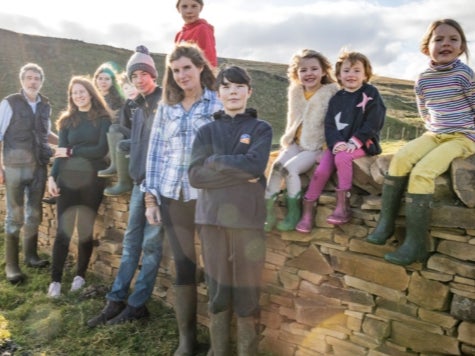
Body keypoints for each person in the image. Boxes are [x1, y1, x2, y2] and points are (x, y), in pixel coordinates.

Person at [366, 18, 475, 265]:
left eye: (453, 39)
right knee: (401, 159)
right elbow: (424, 111)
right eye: (439, 39)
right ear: (427, 47)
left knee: (423, 172)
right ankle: (385, 224)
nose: (446, 43)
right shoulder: (424, 78)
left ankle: (416, 244)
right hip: (434, 133)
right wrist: (433, 131)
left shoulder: (464, 74)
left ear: (461, 47)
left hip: (463, 136)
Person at [144, 42, 222, 356]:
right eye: (175, 71)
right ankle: (186, 342)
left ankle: (219, 346)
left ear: (201, 67)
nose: (181, 75)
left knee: (217, 266)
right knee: (183, 265)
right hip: (171, 195)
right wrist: (150, 200)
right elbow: (155, 152)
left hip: (207, 197)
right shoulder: (167, 107)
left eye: (187, 68)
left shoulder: (217, 102)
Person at [189, 65, 272, 355]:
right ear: (218, 92)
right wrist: (238, 169)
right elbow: (195, 177)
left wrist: (214, 162)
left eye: (238, 86)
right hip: (211, 219)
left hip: (248, 221)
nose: (232, 92)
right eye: (226, 86)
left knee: (247, 289)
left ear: (249, 91)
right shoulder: (206, 130)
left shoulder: (261, 128)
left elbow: (255, 166)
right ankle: (219, 350)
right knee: (218, 288)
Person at [87, 45, 164, 326]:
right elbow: (141, 141)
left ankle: (137, 305)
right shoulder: (138, 105)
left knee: (151, 248)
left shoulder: (163, 102)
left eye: (145, 73)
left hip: (160, 187)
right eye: (135, 75)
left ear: (154, 75)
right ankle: (115, 300)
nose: (140, 79)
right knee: (131, 245)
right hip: (139, 183)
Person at [296, 51, 386, 231]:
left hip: (364, 143)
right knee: (321, 171)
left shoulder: (370, 93)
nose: (351, 75)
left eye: (356, 71)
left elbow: (374, 121)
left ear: (365, 74)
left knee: (342, 158)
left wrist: (356, 141)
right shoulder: (336, 99)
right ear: (338, 75)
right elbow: (330, 125)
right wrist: (336, 143)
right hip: (339, 144)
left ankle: (342, 206)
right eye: (346, 71)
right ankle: (307, 212)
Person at [46, 76, 112, 298]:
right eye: (74, 93)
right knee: (63, 231)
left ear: (91, 93)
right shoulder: (66, 121)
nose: (79, 96)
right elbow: (60, 153)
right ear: (71, 97)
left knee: (85, 229)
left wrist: (74, 152)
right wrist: (52, 177)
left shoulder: (103, 118)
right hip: (68, 177)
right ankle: (55, 281)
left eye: (82, 91)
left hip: (93, 178)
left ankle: (80, 275)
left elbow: (101, 149)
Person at [264, 49, 339, 232]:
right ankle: (268, 213)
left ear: (323, 71)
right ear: (296, 74)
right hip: (295, 143)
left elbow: (335, 123)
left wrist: (326, 148)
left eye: (314, 69)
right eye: (303, 70)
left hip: (315, 146)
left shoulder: (331, 93)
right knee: (276, 167)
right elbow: (293, 118)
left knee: (291, 169)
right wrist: (288, 142)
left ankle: (293, 214)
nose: (309, 74)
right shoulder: (296, 92)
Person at [0, 63, 57, 284]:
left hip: (38, 166)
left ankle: (31, 256)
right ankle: (12, 266)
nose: (33, 82)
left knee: (34, 214)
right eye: (29, 78)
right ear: (22, 80)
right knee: (15, 216)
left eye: (37, 78)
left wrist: (65, 141)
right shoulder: (10, 102)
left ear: (41, 81)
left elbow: (45, 133)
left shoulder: (45, 105)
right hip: (14, 166)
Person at [101, 72, 139, 196]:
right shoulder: (127, 105)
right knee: (114, 128)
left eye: (132, 86)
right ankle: (114, 164)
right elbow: (124, 126)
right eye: (126, 88)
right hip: (133, 136)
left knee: (122, 144)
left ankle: (124, 182)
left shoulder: (145, 102)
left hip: (144, 137)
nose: (130, 90)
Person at [95, 62, 126, 179]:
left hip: (110, 138)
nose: (103, 81)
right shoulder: (90, 97)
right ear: (96, 79)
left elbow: (118, 123)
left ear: (112, 81)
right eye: (100, 78)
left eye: (107, 79)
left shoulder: (118, 99)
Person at [175, 0, 217, 68]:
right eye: (184, 6)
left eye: (194, 6)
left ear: (201, 8)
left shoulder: (203, 29)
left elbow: (210, 60)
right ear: (178, 9)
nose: (189, 11)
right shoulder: (179, 35)